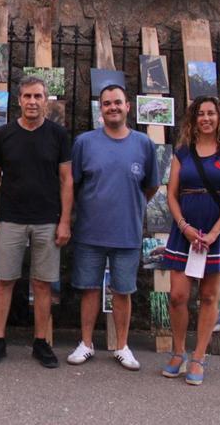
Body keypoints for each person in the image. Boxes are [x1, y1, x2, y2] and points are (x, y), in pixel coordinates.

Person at [0, 75, 73, 368]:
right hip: (10, 219)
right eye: (27, 97)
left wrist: (65, 221)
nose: (32, 102)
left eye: (38, 96)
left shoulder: (58, 135)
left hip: (47, 219)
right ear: (18, 100)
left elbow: (66, 179)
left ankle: (41, 342)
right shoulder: (4, 134)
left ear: (46, 100)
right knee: (4, 280)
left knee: (43, 283)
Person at [67, 85, 159, 371]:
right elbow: (75, 183)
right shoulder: (84, 142)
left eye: (117, 102)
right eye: (107, 104)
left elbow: (152, 185)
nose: (112, 107)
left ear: (128, 106)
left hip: (127, 232)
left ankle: (122, 346)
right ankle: (86, 343)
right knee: (89, 289)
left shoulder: (144, 144)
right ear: (101, 109)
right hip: (90, 231)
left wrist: (130, 207)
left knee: (123, 291)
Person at [161, 96, 220, 385]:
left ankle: (198, 356)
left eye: (211, 113)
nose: (206, 118)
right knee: (178, 296)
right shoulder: (182, 153)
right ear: (193, 119)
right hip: (184, 233)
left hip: (215, 235)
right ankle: (178, 351)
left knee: (208, 296)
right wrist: (184, 227)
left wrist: (212, 234)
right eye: (200, 114)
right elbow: (171, 194)